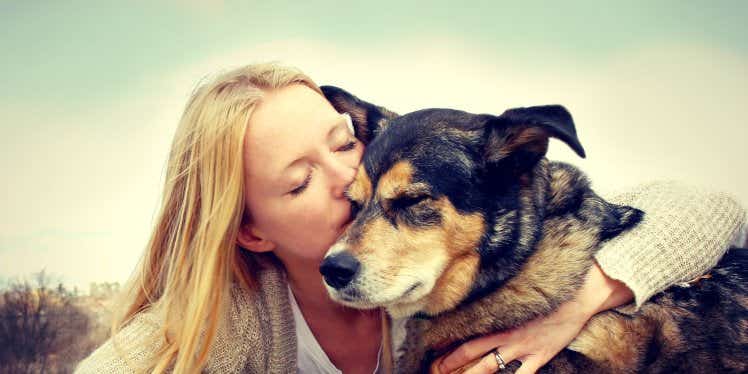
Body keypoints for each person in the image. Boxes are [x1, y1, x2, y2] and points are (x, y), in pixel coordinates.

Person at [75, 63, 746, 374]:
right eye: (300, 181)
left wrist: (587, 298)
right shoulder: (239, 315)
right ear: (252, 230)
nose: (349, 184)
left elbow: (709, 209)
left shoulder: (444, 264)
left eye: (343, 145)